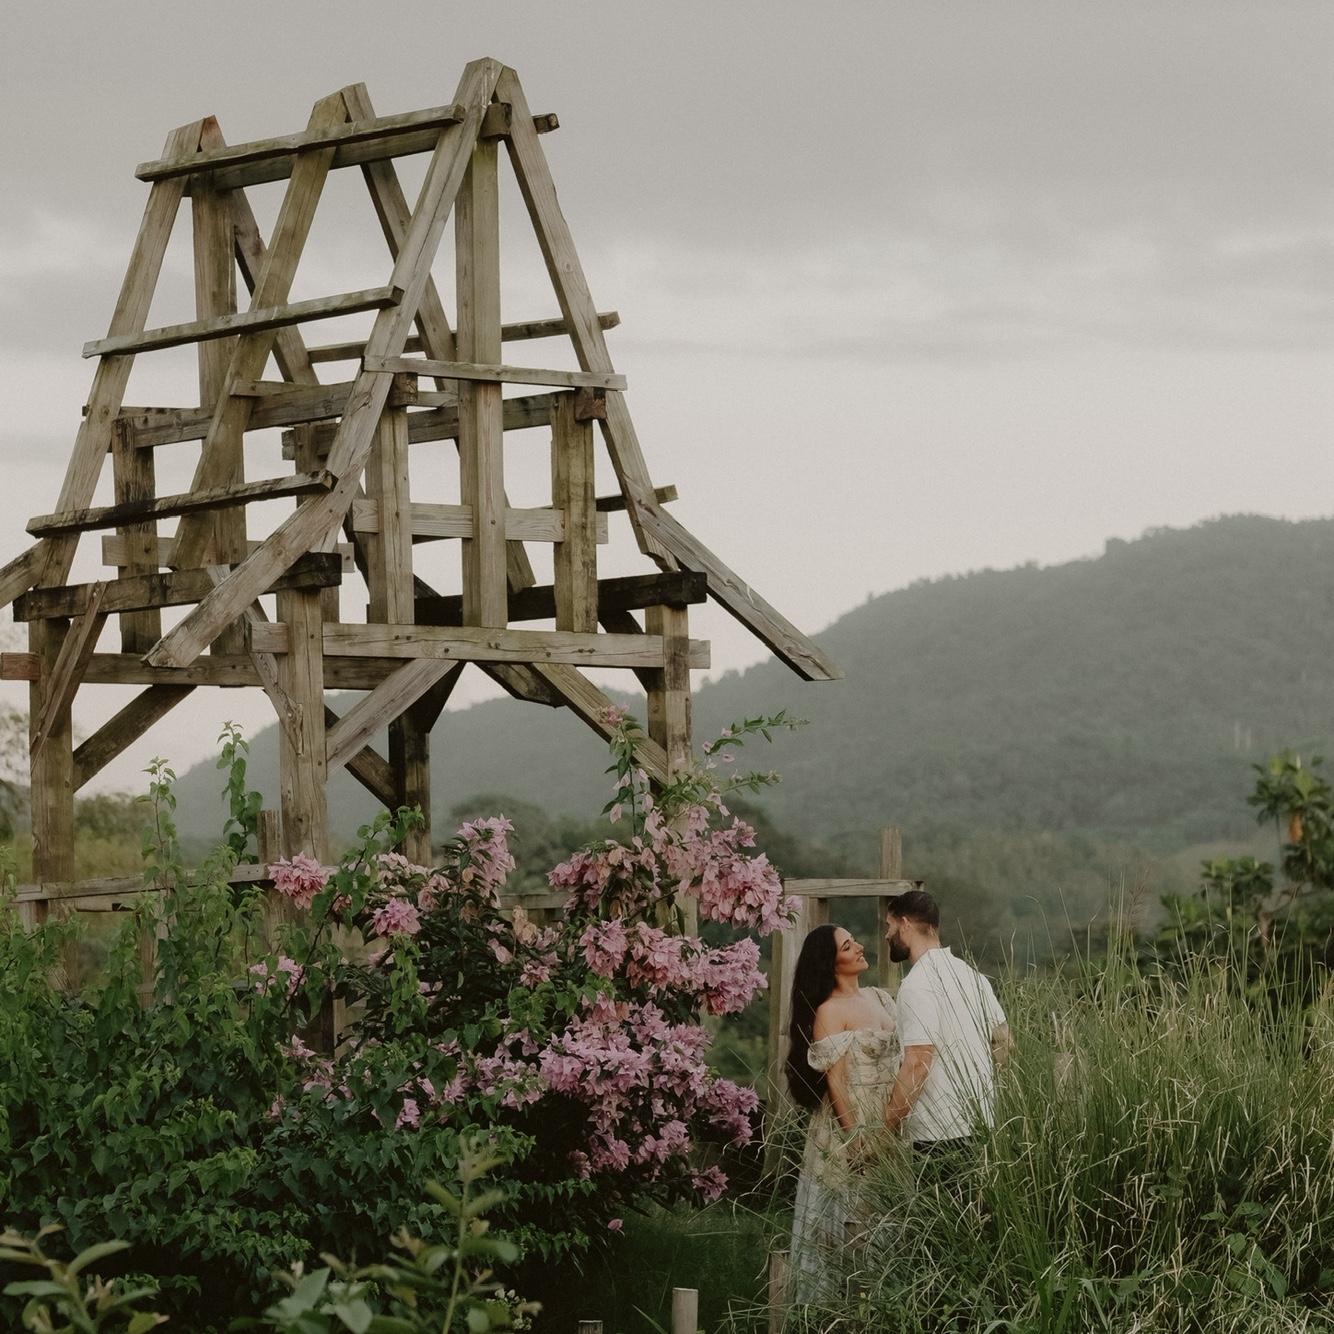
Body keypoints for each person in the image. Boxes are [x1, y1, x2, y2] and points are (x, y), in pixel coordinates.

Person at [786, 923, 900, 1301]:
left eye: (854, 941)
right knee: (843, 1218)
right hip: (848, 1119)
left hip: (888, 1118)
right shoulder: (830, 1011)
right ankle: (835, 1307)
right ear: (831, 963)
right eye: (848, 946)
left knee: (887, 1214)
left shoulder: (879, 998)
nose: (859, 947)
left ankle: (883, 1303)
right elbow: (835, 1082)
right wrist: (854, 1137)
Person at [881, 890, 1011, 1185]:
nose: (886, 935)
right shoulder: (972, 976)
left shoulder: (917, 984)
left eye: (888, 926)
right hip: (981, 1124)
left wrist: (884, 1131)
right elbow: (1004, 1041)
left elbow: (918, 1062)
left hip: (937, 1133)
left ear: (905, 924)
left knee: (938, 1214)